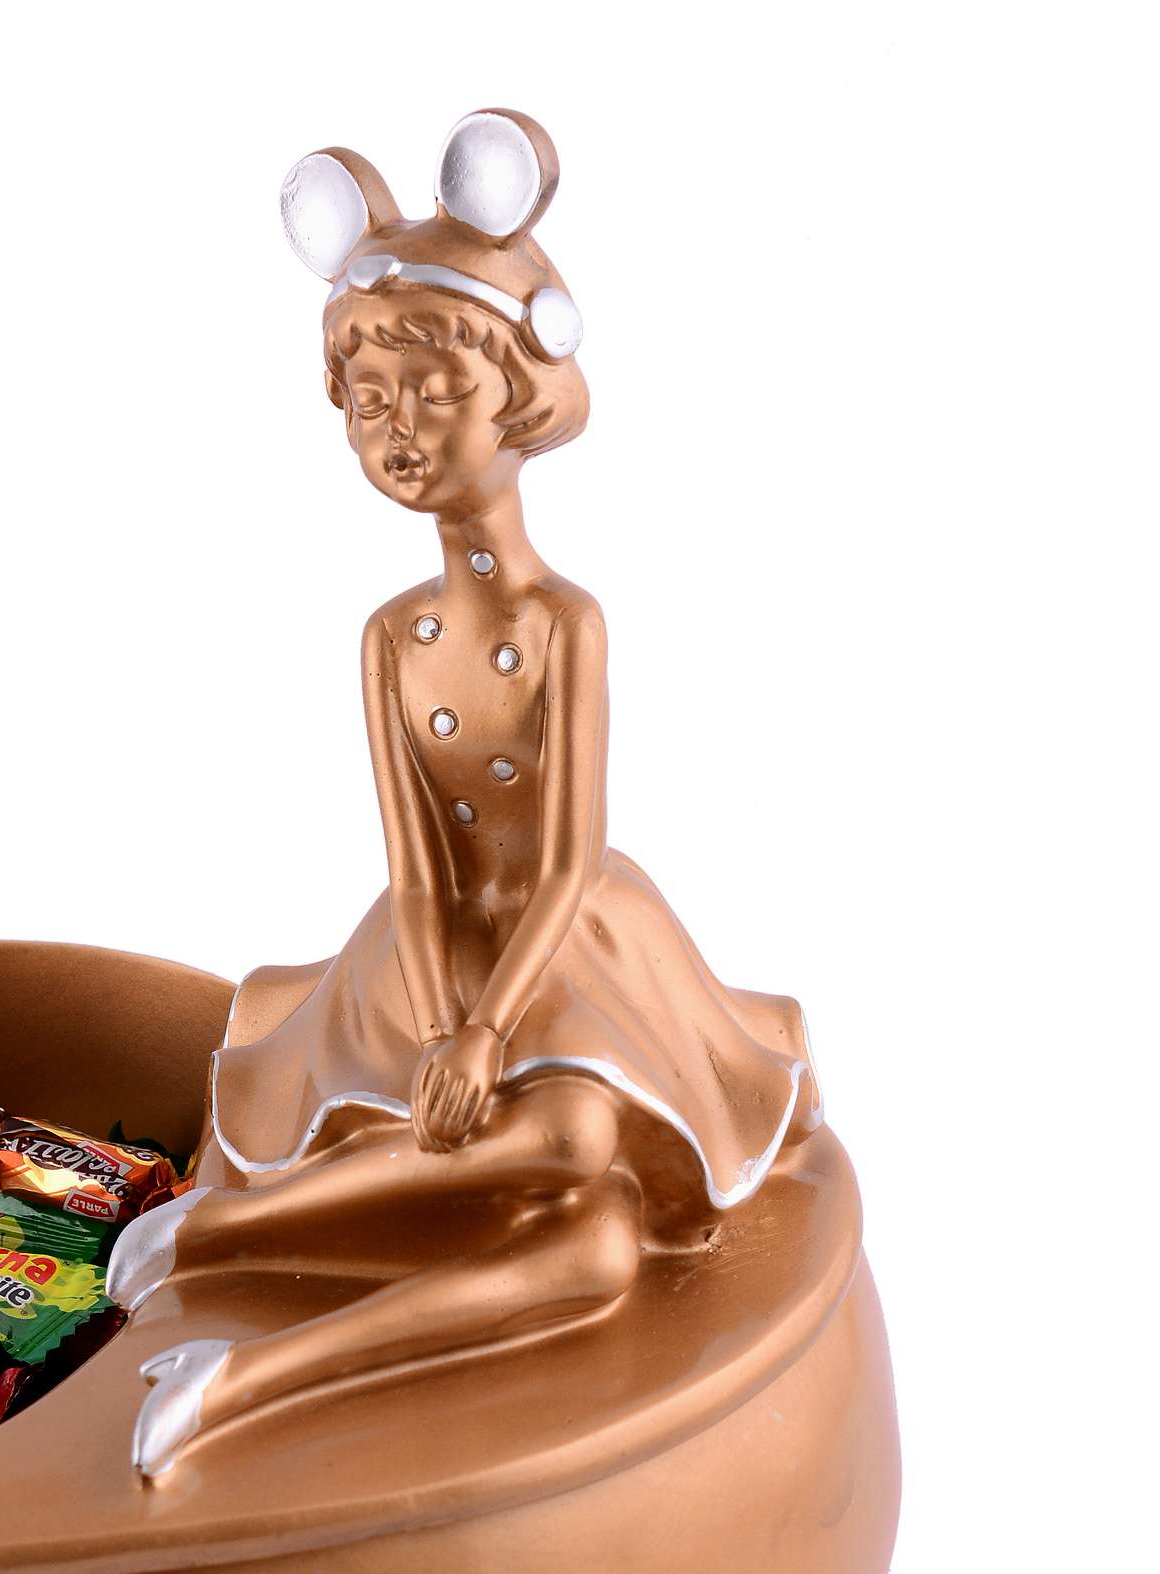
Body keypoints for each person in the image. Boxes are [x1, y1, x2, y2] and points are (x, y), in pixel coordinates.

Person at [119, 112, 819, 1477]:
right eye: (370, 401)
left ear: (518, 397)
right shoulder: (392, 639)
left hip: (570, 948)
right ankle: (226, 1321)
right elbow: (418, 868)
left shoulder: (565, 625)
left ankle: (227, 1251)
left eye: (435, 393)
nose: (399, 431)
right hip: (428, 953)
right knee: (589, 1232)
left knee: (575, 1143)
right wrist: (441, 1030)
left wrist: (490, 1040)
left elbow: (567, 859)